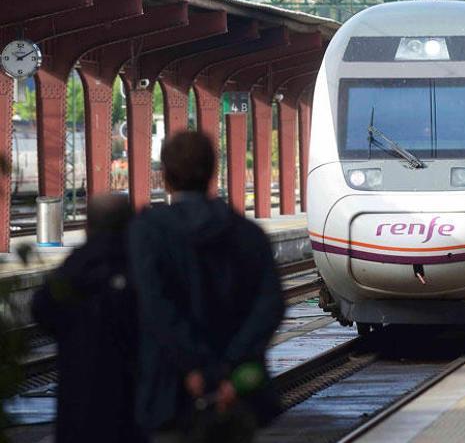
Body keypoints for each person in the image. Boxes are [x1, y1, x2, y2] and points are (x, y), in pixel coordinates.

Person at [128, 131, 284, 442]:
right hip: (237, 391)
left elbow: (155, 306)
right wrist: (229, 367)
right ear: (213, 172)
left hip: (170, 391)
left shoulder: (147, 233)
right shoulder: (249, 234)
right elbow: (270, 305)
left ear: (166, 177)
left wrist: (196, 368)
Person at [31, 193, 144, 443]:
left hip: (80, 403)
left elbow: (41, 310)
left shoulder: (74, 267)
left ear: (88, 226)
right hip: (133, 404)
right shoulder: (143, 267)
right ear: (130, 224)